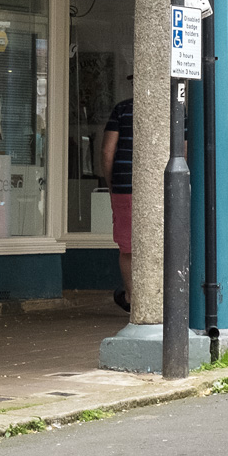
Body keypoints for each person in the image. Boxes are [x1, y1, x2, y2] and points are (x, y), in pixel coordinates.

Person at [101, 86, 134, 313]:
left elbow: (107, 151)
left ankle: (132, 297)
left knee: (128, 246)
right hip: (164, 188)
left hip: (125, 185)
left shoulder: (122, 109)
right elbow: (184, 148)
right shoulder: (177, 109)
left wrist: (111, 183)